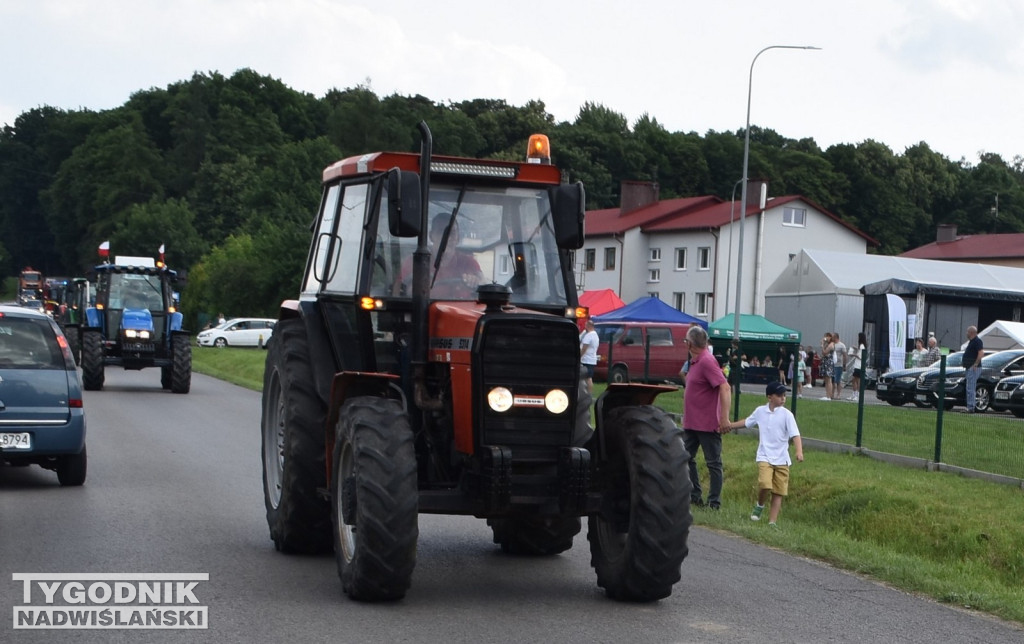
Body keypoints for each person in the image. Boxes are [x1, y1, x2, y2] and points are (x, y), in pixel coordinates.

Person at [726, 381, 804, 527]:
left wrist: (799, 451)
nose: (783, 398)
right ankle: (760, 505)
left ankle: (772, 522)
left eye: (784, 395)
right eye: (779, 395)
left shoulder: (787, 415)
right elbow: (747, 422)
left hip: (782, 459)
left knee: (778, 491)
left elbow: (796, 435)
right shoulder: (760, 411)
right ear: (769, 397)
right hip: (765, 456)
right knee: (765, 484)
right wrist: (729, 426)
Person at [682, 325, 732, 510]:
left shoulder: (707, 361)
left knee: (713, 463)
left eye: (686, 341)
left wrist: (724, 418)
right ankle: (695, 495)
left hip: (707, 422)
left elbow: (724, 387)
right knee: (685, 457)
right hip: (692, 422)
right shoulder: (696, 361)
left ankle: (714, 502)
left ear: (690, 344)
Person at [395, 213, 484, 298]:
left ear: (458, 238)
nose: (447, 238)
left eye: (452, 233)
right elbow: (397, 292)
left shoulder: (468, 263)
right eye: (441, 232)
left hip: (461, 312)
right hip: (425, 312)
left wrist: (474, 280)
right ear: (431, 236)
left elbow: (483, 283)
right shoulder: (415, 263)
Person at [963, 325, 984, 413]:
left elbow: (981, 353)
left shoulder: (977, 341)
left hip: (973, 368)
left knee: (971, 387)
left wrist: (975, 364)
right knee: (969, 387)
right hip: (969, 367)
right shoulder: (971, 342)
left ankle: (971, 407)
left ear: (971, 332)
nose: (966, 333)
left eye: (967, 332)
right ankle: (969, 406)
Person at [579, 319, 599, 393]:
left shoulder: (589, 336)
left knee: (586, 378)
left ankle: (587, 393)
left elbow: (584, 348)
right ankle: (589, 393)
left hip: (586, 359)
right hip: (592, 359)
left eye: (585, 326)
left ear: (588, 326)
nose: (585, 327)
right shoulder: (595, 335)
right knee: (589, 378)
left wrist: (579, 356)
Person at [847, 332, 866, 400]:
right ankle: (854, 394)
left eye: (858, 337)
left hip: (859, 366)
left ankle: (856, 395)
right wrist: (855, 349)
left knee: (857, 380)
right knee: (854, 380)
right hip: (857, 365)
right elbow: (860, 352)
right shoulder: (861, 346)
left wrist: (854, 355)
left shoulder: (862, 345)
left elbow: (861, 356)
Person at [831, 332, 847, 400]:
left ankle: (838, 395)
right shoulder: (832, 344)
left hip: (838, 365)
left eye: (833, 337)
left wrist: (844, 365)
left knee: (837, 381)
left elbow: (845, 355)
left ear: (836, 337)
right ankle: (832, 394)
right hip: (831, 364)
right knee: (832, 381)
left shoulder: (842, 345)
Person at [820, 333, 835, 400]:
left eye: (827, 336)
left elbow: (824, 352)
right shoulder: (828, 344)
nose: (826, 338)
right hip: (825, 362)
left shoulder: (831, 345)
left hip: (828, 363)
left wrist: (822, 345)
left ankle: (829, 396)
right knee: (826, 379)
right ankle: (827, 395)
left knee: (829, 380)